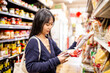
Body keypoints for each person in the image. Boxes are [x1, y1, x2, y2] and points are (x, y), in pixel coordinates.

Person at [25, 8, 77, 73]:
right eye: (47, 24)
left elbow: (61, 54)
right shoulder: (33, 42)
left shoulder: (49, 40)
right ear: (39, 23)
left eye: (51, 24)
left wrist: (76, 43)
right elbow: (31, 67)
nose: (50, 27)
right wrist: (56, 61)